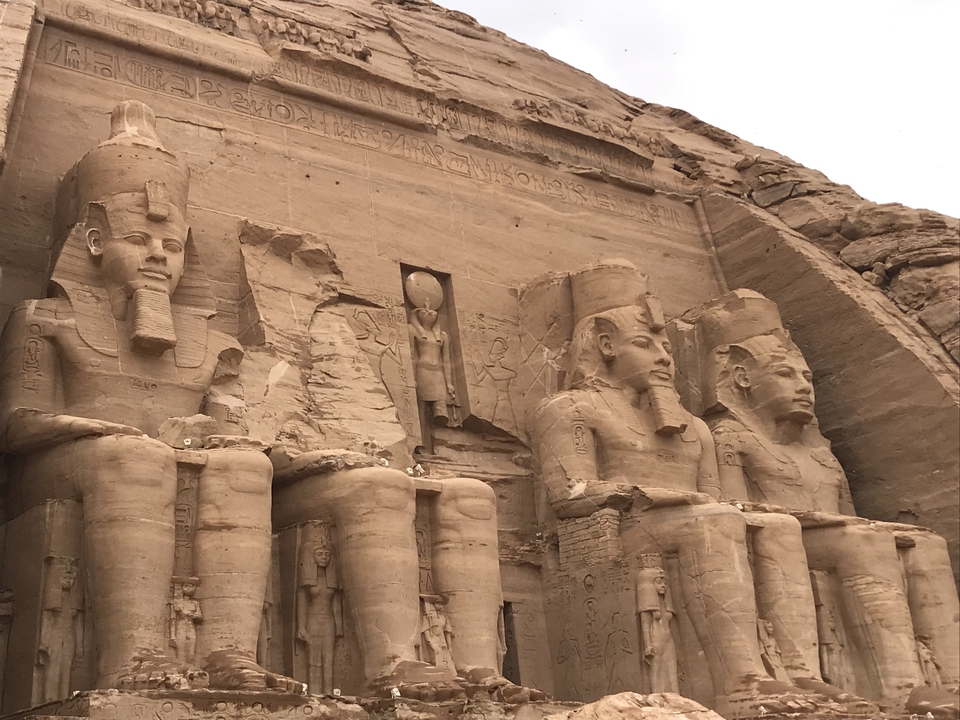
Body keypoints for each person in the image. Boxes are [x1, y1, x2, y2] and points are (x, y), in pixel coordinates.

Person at [0, 101, 298, 692]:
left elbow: (228, 429)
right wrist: (101, 429)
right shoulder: (46, 318)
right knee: (136, 458)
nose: (160, 255)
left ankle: (228, 655)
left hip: (151, 455)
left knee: (242, 467)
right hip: (65, 468)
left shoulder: (211, 343)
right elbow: (14, 424)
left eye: (173, 243)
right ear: (91, 240)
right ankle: (135, 659)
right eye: (140, 238)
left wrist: (227, 438)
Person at [681, 288, 960, 706]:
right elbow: (742, 511)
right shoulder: (732, 437)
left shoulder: (821, 452)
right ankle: (901, 686)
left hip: (830, 537)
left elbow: (850, 515)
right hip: (786, 541)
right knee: (861, 541)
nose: (803, 387)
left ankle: (951, 678)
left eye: (807, 378)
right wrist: (828, 523)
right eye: (785, 375)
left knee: (926, 543)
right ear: (742, 378)